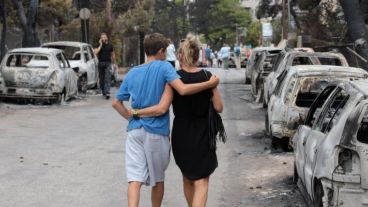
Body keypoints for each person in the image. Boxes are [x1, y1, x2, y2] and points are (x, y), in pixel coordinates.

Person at [111, 33, 220, 207]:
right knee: (158, 180)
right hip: (156, 132)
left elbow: (116, 102)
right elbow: (176, 95)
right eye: (166, 51)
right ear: (161, 51)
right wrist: (209, 84)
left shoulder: (132, 72)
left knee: (134, 179)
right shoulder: (165, 69)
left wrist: (131, 116)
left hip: (135, 132)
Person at [94, 33, 117, 99]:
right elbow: (95, 52)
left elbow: (113, 54)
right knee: (102, 79)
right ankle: (104, 91)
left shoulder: (110, 45)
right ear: (100, 39)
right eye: (102, 37)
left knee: (107, 78)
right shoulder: (98, 45)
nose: (103, 38)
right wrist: (100, 45)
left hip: (108, 63)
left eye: (104, 37)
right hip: (101, 63)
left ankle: (107, 92)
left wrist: (114, 63)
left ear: (107, 38)